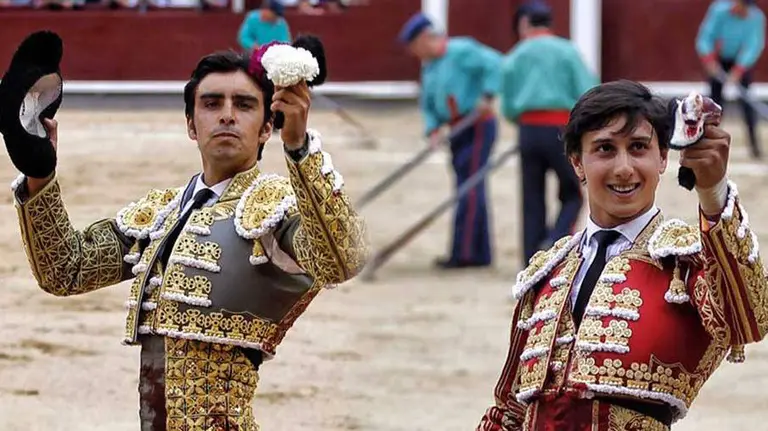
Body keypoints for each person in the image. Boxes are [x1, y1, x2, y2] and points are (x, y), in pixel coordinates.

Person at [2, 32, 368, 430]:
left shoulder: (275, 207)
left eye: (244, 105)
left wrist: (299, 149)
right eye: (212, 104)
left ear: (266, 129)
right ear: (192, 125)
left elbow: (340, 260)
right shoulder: (162, 212)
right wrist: (40, 174)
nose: (227, 115)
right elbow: (66, 269)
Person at [476, 80, 768, 430]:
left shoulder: (686, 262)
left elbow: (749, 318)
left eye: (639, 147)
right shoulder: (548, 275)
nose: (624, 168)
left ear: (663, 157)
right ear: (577, 164)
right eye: (604, 149)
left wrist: (714, 192)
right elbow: (510, 413)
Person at [398, 12, 502, 269]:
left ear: (424, 38)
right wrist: (433, 129)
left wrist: (488, 94)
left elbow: (496, 65)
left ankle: (464, 253)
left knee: (470, 188)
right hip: (457, 129)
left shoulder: (462, 50)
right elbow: (428, 105)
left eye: (414, 46)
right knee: (468, 187)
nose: (414, 53)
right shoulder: (430, 68)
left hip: (477, 124)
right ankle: (480, 254)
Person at [502, 0, 598, 269]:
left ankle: (531, 258)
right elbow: (587, 92)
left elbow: (507, 105)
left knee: (531, 196)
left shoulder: (516, 55)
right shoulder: (567, 52)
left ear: (524, 24)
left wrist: (521, 120)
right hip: (561, 128)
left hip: (528, 130)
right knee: (572, 192)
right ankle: (556, 243)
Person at [696, 0, 765, 159]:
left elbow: (754, 45)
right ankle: (708, 142)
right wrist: (709, 59)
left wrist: (740, 69)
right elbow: (705, 37)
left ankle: (755, 146)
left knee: (746, 103)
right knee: (714, 103)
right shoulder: (719, 10)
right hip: (718, 59)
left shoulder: (756, 18)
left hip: (740, 60)